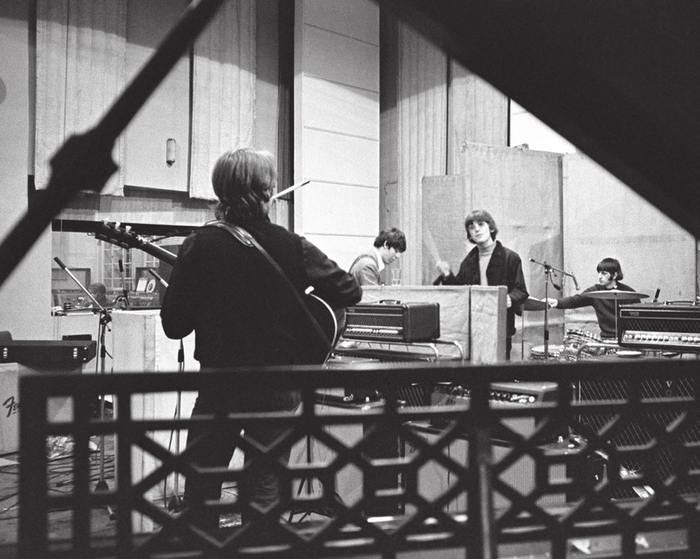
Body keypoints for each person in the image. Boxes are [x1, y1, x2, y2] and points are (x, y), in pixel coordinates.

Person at [160, 148, 361, 530]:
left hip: (219, 383)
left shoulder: (199, 244)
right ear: (269, 191)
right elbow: (350, 290)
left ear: (220, 191)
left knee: (202, 483)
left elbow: (174, 326)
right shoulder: (292, 245)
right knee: (265, 485)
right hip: (277, 384)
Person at [433, 209, 528, 360]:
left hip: (500, 327)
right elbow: (460, 291)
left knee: (498, 371)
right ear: (469, 234)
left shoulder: (510, 258)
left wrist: (510, 298)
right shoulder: (468, 261)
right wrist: (447, 275)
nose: (476, 229)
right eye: (471, 227)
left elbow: (521, 290)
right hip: (474, 328)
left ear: (491, 228)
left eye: (481, 224)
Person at [543, 257, 639, 340]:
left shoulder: (629, 294)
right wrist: (556, 302)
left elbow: (639, 320)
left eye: (604, 273)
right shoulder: (596, 291)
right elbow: (574, 301)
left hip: (627, 340)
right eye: (599, 273)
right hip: (606, 340)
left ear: (614, 275)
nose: (599, 276)